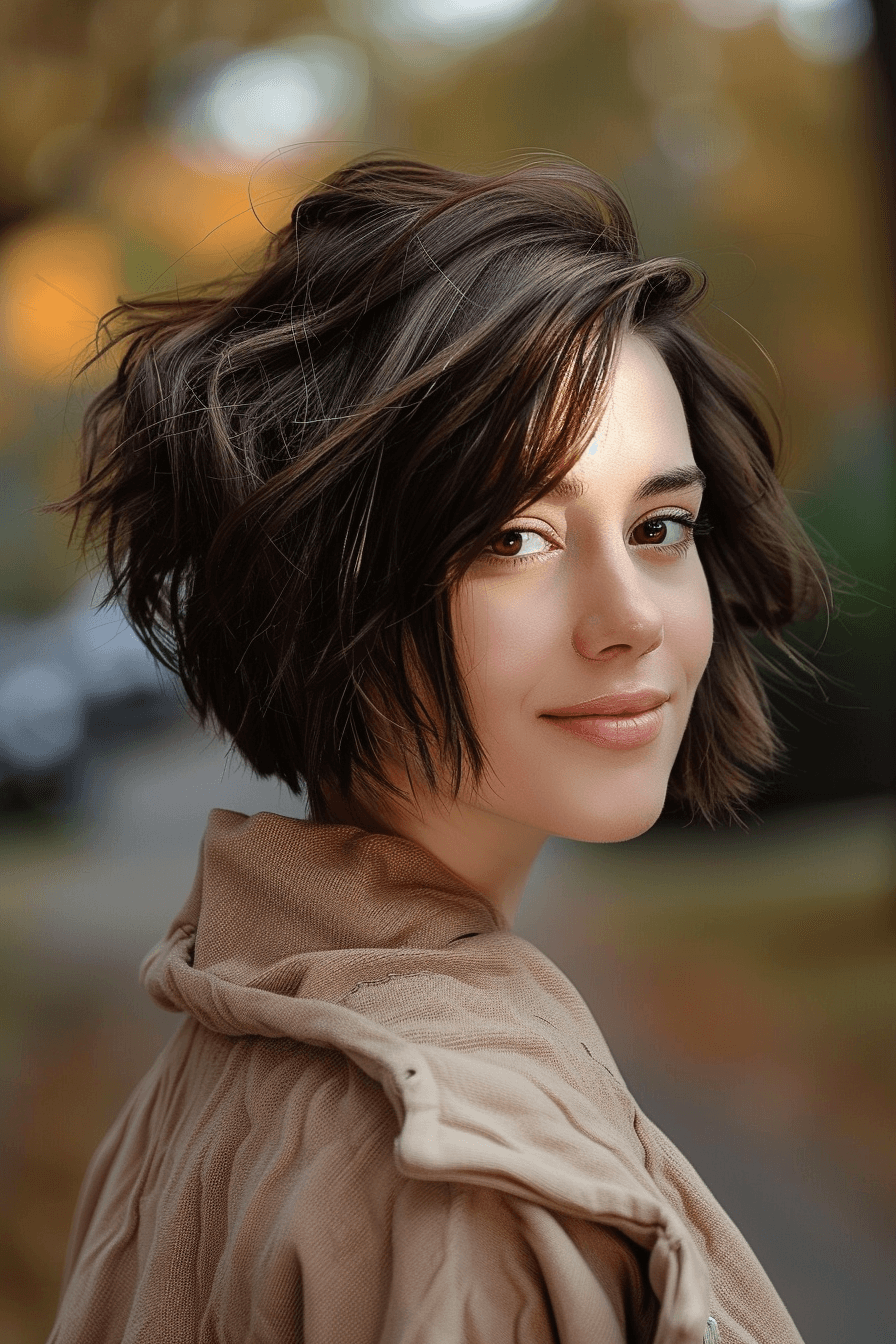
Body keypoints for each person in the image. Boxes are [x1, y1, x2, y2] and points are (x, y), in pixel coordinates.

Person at [46, 155, 825, 1343]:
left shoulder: (226, 1027)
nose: (628, 618)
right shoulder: (464, 1189)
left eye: (658, 526)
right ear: (320, 588)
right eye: (511, 536)